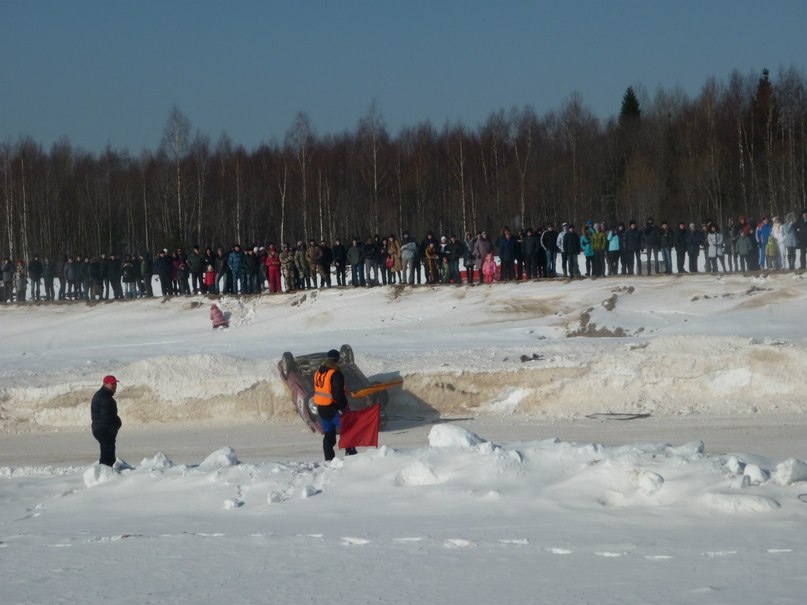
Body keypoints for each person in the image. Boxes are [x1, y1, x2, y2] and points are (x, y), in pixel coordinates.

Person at [312, 349, 356, 461]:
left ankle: (329, 459)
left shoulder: (318, 373)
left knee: (329, 433)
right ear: (337, 360)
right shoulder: (335, 374)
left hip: (321, 408)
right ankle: (351, 455)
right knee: (348, 428)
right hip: (333, 408)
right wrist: (344, 407)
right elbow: (338, 394)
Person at [91, 375, 123, 467]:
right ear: (105, 384)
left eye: (115, 384)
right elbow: (107, 417)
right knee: (108, 457)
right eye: (112, 384)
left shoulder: (103, 395)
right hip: (104, 430)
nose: (114, 386)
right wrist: (117, 424)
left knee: (107, 455)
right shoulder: (105, 398)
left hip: (100, 429)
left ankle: (105, 474)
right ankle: (106, 475)